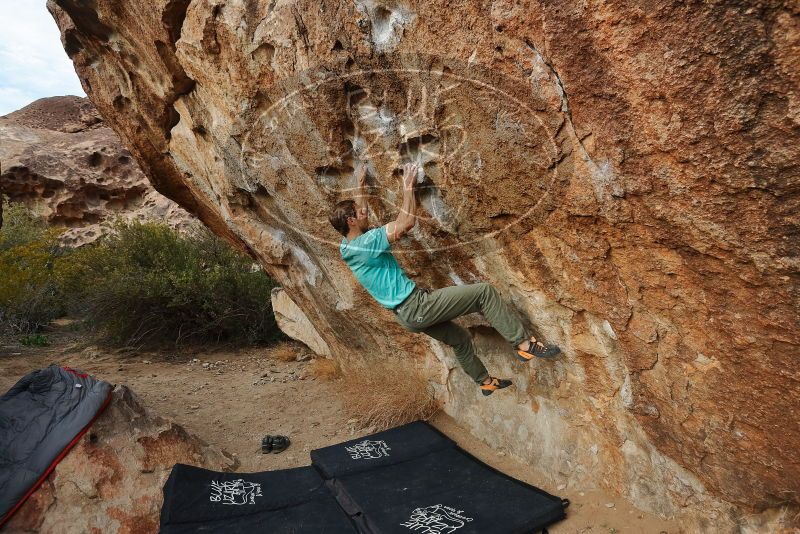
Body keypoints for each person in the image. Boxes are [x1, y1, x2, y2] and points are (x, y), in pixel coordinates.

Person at [329, 162, 561, 396]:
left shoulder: (346, 247)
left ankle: (484, 381)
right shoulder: (367, 244)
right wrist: (408, 186)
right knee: (484, 293)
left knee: (460, 339)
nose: (365, 212)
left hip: (406, 316)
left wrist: (360, 183)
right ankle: (524, 345)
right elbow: (406, 223)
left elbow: (358, 211)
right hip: (416, 305)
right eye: (360, 213)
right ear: (351, 221)